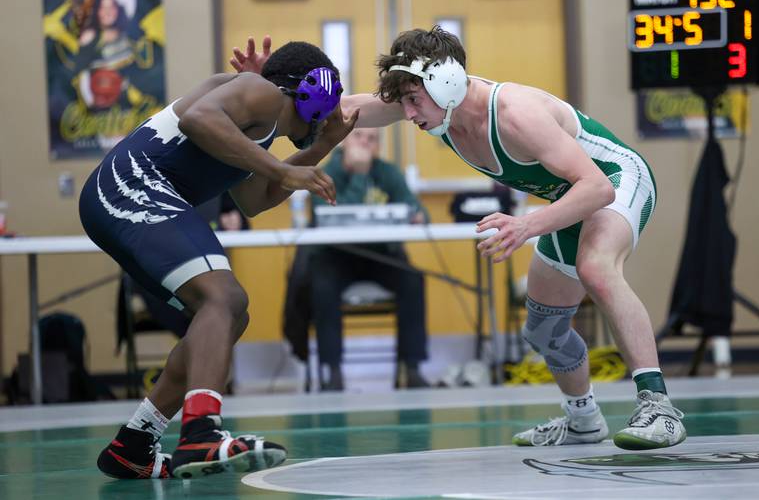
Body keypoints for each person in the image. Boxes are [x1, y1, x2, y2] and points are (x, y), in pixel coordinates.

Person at [231, 28, 685, 450]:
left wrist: (525, 225)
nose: (407, 115)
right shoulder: (434, 105)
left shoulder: (515, 114)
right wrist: (270, 93)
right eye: (403, 102)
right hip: (568, 196)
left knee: (595, 267)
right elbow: (345, 109)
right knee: (543, 328)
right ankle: (583, 418)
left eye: (412, 100)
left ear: (445, 81)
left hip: (612, 180)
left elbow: (597, 188)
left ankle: (659, 408)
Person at [81, 40, 358, 479]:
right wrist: (286, 168)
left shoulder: (255, 122)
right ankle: (201, 434)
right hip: (131, 186)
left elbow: (256, 199)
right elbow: (197, 119)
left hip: (125, 197)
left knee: (230, 314)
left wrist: (321, 146)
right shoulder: (260, 92)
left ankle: (134, 443)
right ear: (315, 92)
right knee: (223, 297)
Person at [308, 126, 430, 391]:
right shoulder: (326, 174)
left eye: (372, 139)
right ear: (344, 142)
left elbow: (416, 208)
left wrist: (417, 214)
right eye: (358, 136)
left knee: (412, 280)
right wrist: (360, 176)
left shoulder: (388, 172)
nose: (365, 143)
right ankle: (333, 371)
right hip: (337, 255)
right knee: (322, 286)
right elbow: (330, 214)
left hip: (381, 254)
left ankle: (412, 368)